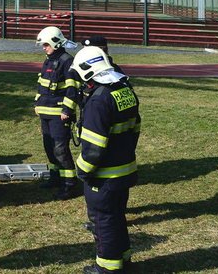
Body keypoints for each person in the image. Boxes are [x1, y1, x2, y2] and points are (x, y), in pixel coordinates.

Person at [71, 46, 141, 273]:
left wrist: (82, 172)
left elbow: (93, 148)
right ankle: (124, 260)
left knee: (103, 221)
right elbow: (135, 128)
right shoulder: (125, 89)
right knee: (117, 216)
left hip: (104, 176)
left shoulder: (98, 101)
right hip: (124, 169)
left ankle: (108, 268)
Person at [34, 26, 81, 200]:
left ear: (55, 42)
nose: (43, 48)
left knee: (60, 149)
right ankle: (56, 177)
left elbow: (72, 89)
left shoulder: (67, 60)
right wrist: (37, 103)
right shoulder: (48, 59)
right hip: (45, 112)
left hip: (59, 114)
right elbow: (42, 84)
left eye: (46, 44)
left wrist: (67, 110)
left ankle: (70, 184)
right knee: (48, 146)